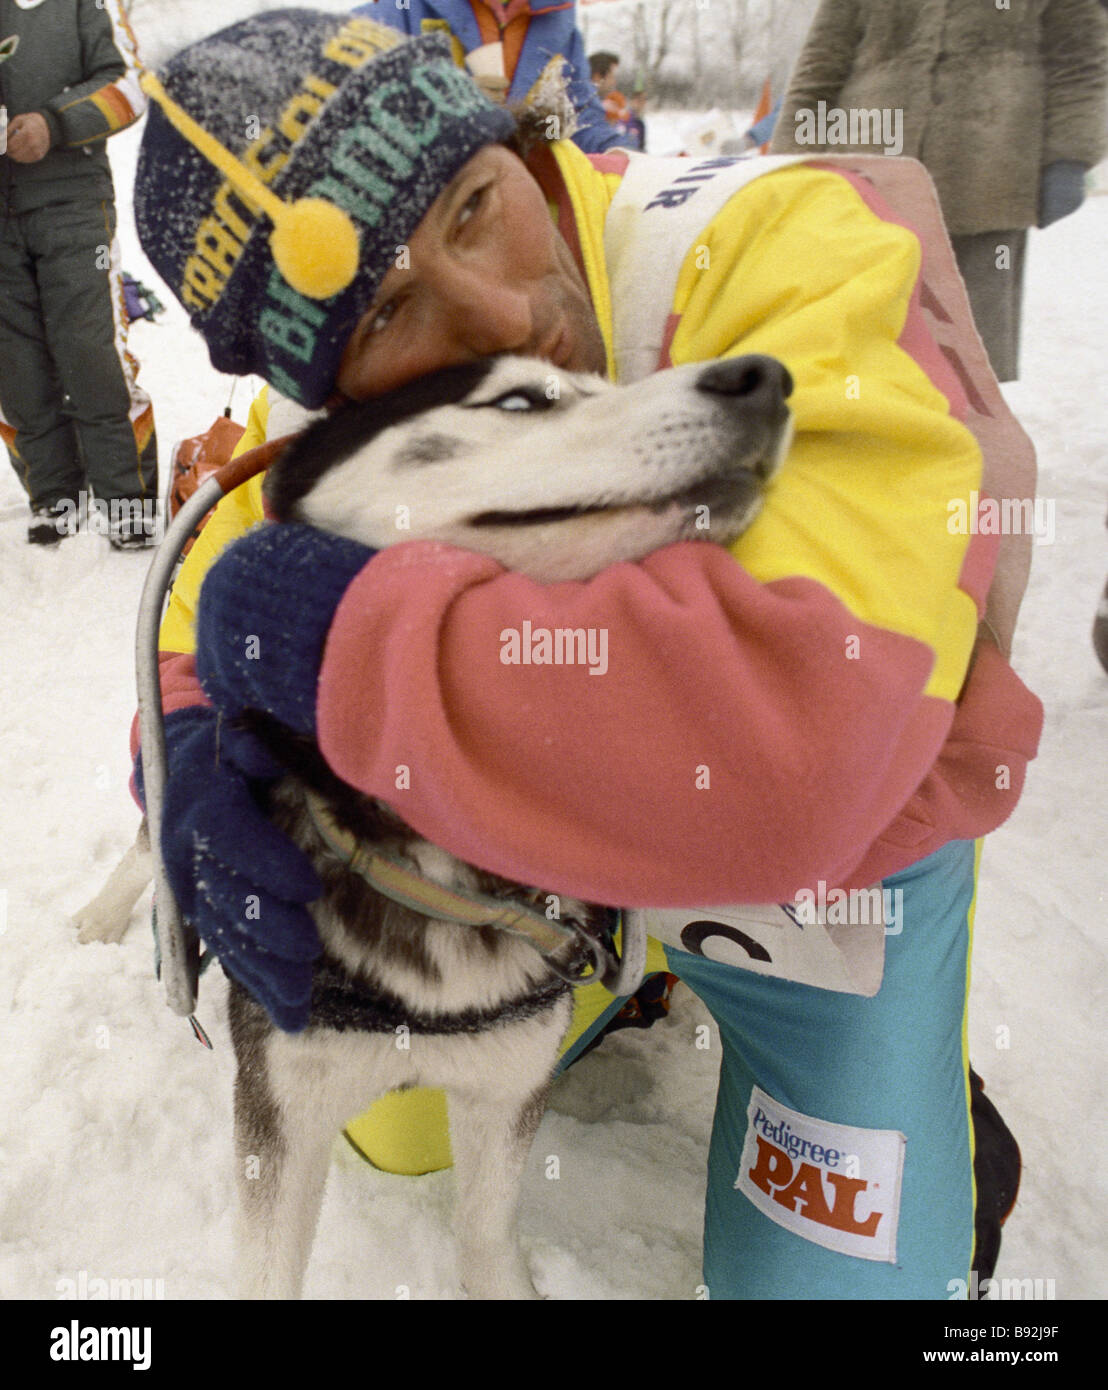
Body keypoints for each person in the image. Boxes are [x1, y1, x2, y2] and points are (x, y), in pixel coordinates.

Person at [133, 10, 1043, 1298]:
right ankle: (614, 980)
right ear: (338, 381)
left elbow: (787, 757)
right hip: (535, 887)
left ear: (513, 137)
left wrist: (330, 642)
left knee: (838, 1293)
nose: (507, 314)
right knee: (392, 1129)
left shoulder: (787, 245)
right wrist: (179, 749)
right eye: (392, 308)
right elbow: (195, 603)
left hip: (827, 874)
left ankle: (900, 1079)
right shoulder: (338, 424)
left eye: (471, 208)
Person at [769, 0, 1108, 382]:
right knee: (859, 339)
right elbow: (820, 66)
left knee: (968, 353)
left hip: (988, 179)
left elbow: (1081, 64)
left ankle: (960, 437)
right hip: (870, 176)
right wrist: (791, 160)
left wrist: (1069, 157)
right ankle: (862, 430)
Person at [0, 0, 158, 548]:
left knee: (89, 352)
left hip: (71, 204)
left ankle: (127, 503)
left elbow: (131, 85)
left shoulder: (81, 5)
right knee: (14, 369)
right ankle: (54, 497)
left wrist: (56, 122)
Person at [353, 0, 625, 153]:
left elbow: (584, 127)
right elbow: (345, 122)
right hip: (426, 230)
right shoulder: (392, 14)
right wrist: (441, 110)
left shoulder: (563, 28)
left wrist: (629, 159)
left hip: (527, 224)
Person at [589, 49, 630, 132]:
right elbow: (555, 139)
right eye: (611, 76)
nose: (614, 82)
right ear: (597, 77)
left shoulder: (601, 105)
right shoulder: (579, 108)